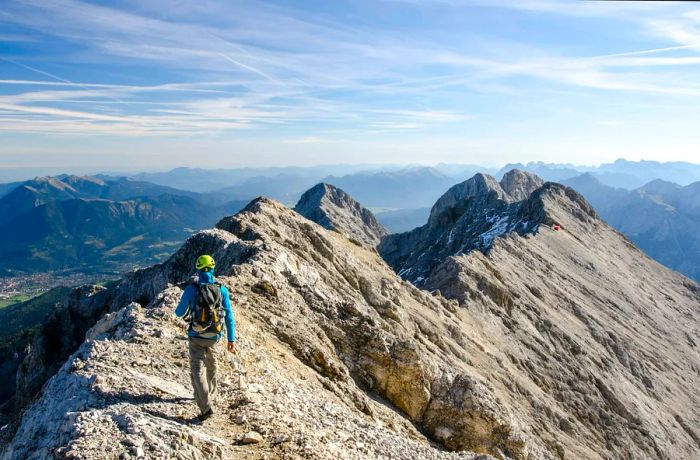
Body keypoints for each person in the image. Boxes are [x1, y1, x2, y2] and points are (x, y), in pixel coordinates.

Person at [175, 254, 236, 421]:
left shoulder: (191, 289)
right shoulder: (221, 289)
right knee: (211, 365)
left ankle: (206, 406)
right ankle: (211, 393)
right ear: (213, 268)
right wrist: (231, 340)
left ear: (198, 268)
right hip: (215, 336)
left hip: (196, 335)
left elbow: (179, 312)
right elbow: (229, 316)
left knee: (197, 370)